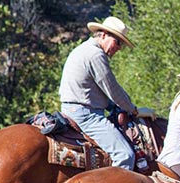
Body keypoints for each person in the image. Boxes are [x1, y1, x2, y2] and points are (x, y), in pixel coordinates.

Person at [59, 16, 140, 169]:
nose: (119, 47)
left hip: (72, 109)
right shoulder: (96, 55)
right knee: (125, 155)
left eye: (121, 44)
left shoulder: (83, 49)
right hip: (86, 115)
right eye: (117, 41)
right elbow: (113, 90)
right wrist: (133, 109)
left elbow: (96, 91)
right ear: (103, 34)